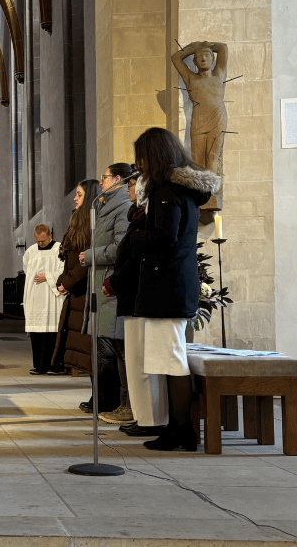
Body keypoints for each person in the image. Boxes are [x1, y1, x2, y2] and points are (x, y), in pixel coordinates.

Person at [127, 127, 220, 451]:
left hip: (167, 286)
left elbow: (164, 239)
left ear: (155, 156)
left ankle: (182, 431)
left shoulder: (167, 191)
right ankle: (177, 429)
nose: (140, 165)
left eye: (142, 157)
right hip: (172, 285)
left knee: (172, 359)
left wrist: (136, 234)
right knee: (168, 359)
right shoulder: (178, 190)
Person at [103, 175, 165, 437]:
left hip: (138, 293)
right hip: (129, 294)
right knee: (132, 360)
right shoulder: (136, 215)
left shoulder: (145, 217)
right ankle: (140, 415)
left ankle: (148, 417)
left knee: (139, 360)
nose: (129, 188)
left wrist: (115, 280)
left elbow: (135, 255)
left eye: (131, 184)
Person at [85, 163, 134, 424]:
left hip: (113, 286)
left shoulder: (123, 207)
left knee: (122, 350)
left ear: (117, 179)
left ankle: (127, 404)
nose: (101, 182)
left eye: (105, 178)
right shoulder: (105, 205)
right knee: (114, 349)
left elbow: (119, 248)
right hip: (103, 286)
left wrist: (90, 255)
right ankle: (118, 402)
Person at [52, 179, 97, 402]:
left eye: (79, 195)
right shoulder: (78, 222)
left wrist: (67, 283)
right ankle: (95, 396)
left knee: (89, 348)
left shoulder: (92, 223)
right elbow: (70, 260)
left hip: (85, 294)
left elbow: (84, 261)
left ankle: (100, 397)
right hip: (76, 294)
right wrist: (63, 280)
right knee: (83, 349)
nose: (75, 198)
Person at [172, 41, 228, 175]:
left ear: (213, 59)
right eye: (199, 57)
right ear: (195, 62)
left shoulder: (219, 73)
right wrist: (194, 48)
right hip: (199, 121)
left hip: (218, 118)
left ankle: (211, 192)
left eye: (207, 55)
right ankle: (200, 191)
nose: (203, 59)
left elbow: (223, 48)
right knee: (196, 159)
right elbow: (175, 58)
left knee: (212, 157)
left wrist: (208, 46)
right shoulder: (191, 78)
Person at [22, 224, 63, 375]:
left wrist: (48, 277)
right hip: (36, 295)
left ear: (50, 235)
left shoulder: (59, 248)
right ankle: (40, 366)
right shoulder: (30, 251)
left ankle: (55, 366)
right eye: (38, 241)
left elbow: (63, 269)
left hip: (52, 296)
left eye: (43, 240)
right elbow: (27, 270)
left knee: (52, 332)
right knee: (37, 332)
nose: (41, 243)